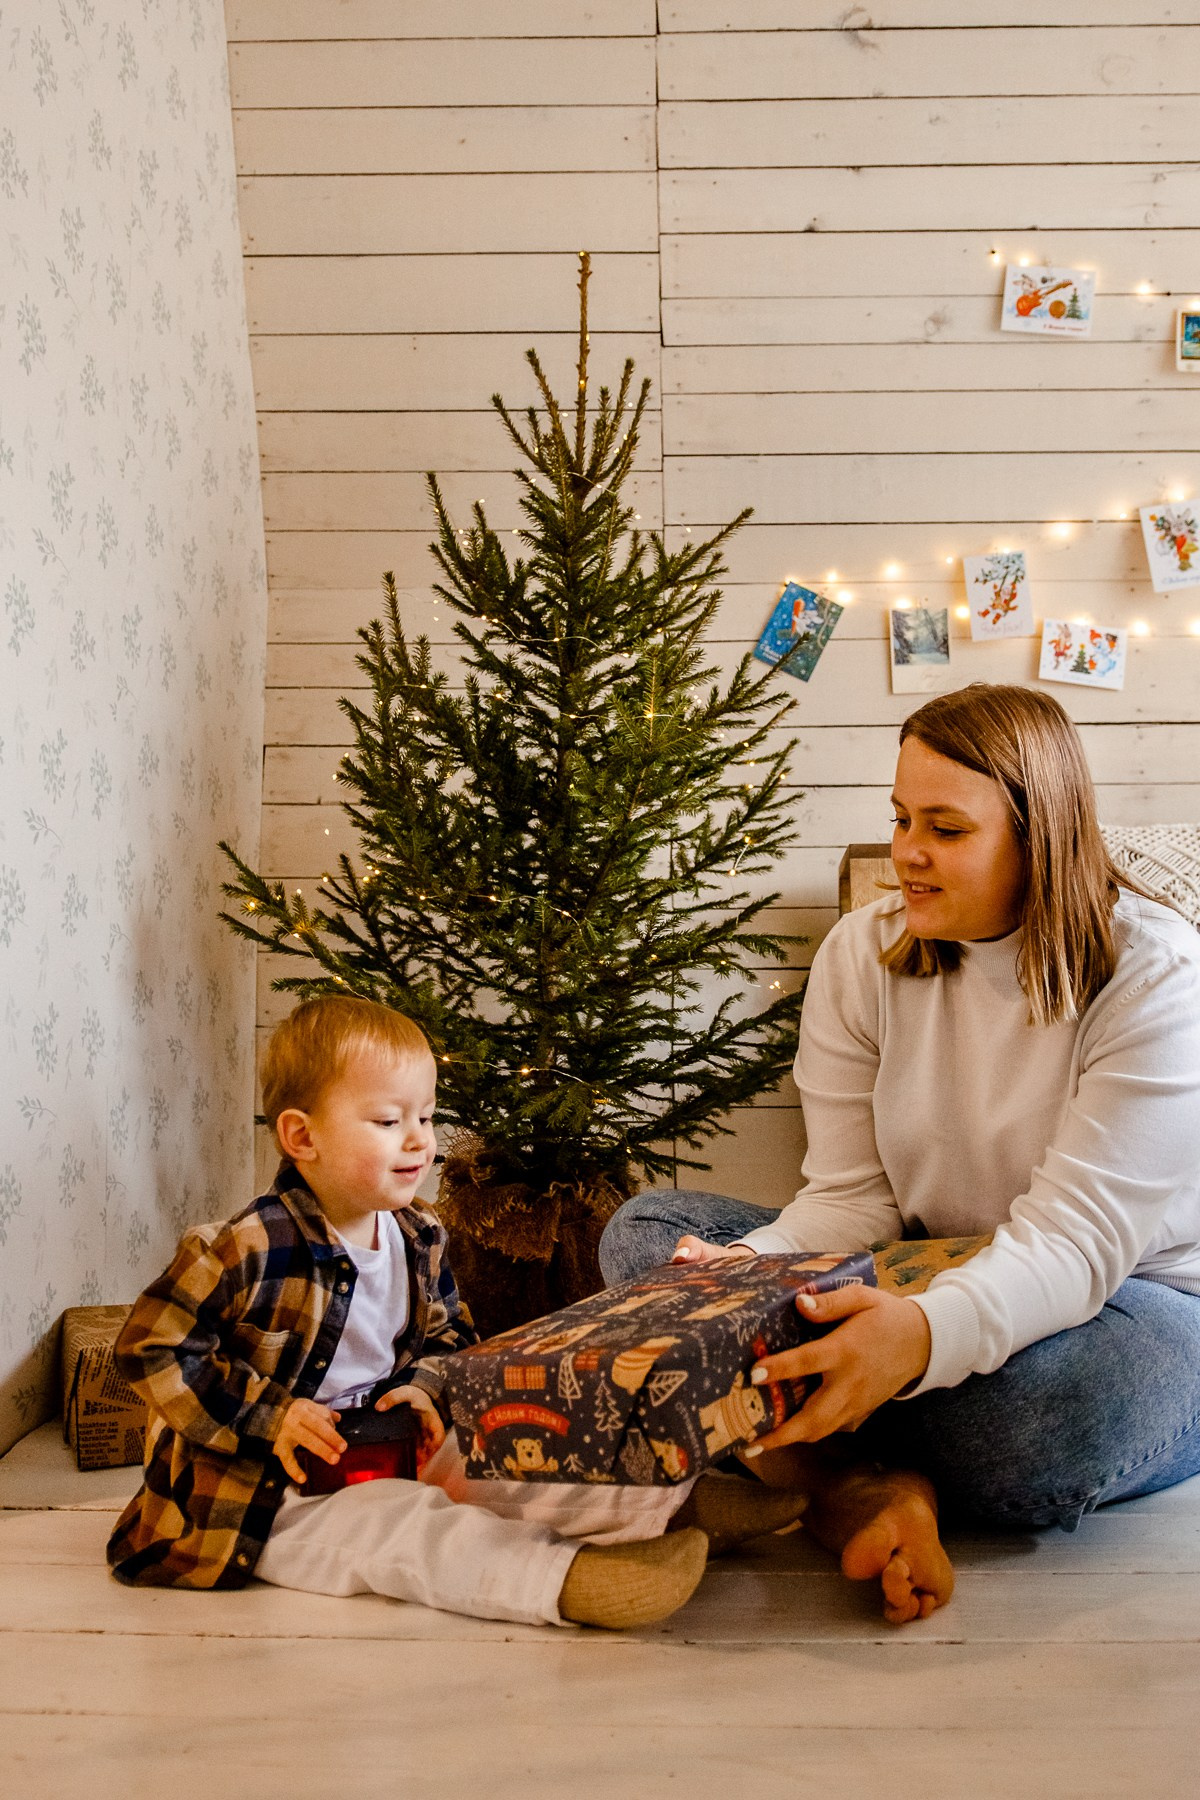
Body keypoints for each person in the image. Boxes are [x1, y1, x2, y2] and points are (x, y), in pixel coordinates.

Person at [600, 683, 1200, 1624]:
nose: (907, 852)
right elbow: (852, 1199)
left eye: (946, 829)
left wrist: (915, 1340)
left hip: (1132, 1302)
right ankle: (862, 1484)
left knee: (1033, 1422)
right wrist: (743, 1271)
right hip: (921, 1265)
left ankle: (806, 1457)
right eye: (900, 818)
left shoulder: (1154, 975)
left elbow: (1074, 1248)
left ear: (1039, 839)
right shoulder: (863, 954)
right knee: (650, 1237)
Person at [108, 995, 807, 1630]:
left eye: (426, 1116)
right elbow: (150, 1347)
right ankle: (565, 1582)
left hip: (385, 1440)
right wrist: (272, 1416)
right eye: (389, 1122)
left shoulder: (418, 1233)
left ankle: (670, 1507)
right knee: (405, 1527)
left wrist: (425, 1387)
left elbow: (446, 1335)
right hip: (273, 1490)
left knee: (502, 1456)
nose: (420, 1140)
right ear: (302, 1137)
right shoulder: (247, 1246)